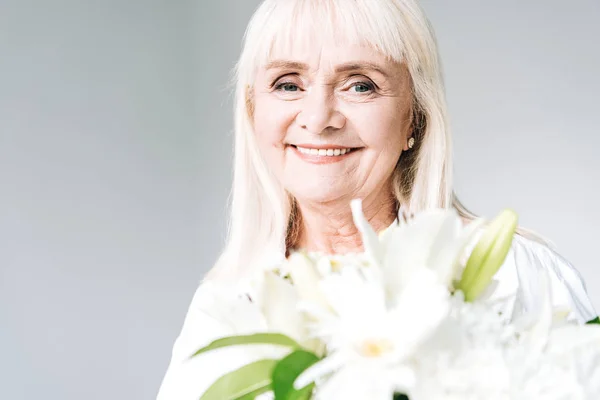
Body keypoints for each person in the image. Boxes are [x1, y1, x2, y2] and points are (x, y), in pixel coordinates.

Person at [157, 0, 596, 398]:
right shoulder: (226, 303)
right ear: (254, 111)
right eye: (288, 84)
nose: (317, 118)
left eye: (360, 85)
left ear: (415, 117)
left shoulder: (513, 273)